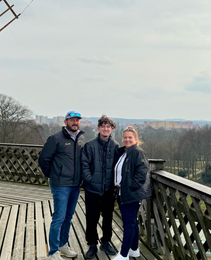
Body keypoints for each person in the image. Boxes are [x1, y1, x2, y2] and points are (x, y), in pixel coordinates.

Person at [38, 110, 85, 260]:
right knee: (58, 217)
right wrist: (52, 176)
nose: (75, 122)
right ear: (65, 122)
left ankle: (63, 245)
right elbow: (43, 160)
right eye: (72, 120)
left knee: (68, 216)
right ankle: (53, 251)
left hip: (75, 185)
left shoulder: (80, 139)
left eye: (77, 120)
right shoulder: (55, 138)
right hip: (60, 185)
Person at [82, 115, 120, 258]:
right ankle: (92, 244)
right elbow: (84, 164)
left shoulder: (115, 146)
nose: (105, 129)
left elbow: (118, 167)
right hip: (92, 189)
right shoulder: (90, 145)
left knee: (108, 218)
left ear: (111, 129)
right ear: (98, 128)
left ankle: (106, 242)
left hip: (108, 189)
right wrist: (89, 179)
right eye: (103, 126)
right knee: (92, 218)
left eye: (108, 127)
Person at [112, 126, 151, 260]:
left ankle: (123, 254)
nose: (127, 140)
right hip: (122, 193)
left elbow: (142, 173)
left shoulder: (138, 152)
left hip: (131, 194)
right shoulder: (124, 152)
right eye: (125, 137)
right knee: (132, 222)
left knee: (128, 224)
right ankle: (134, 250)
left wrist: (130, 187)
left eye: (130, 137)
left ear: (135, 139)